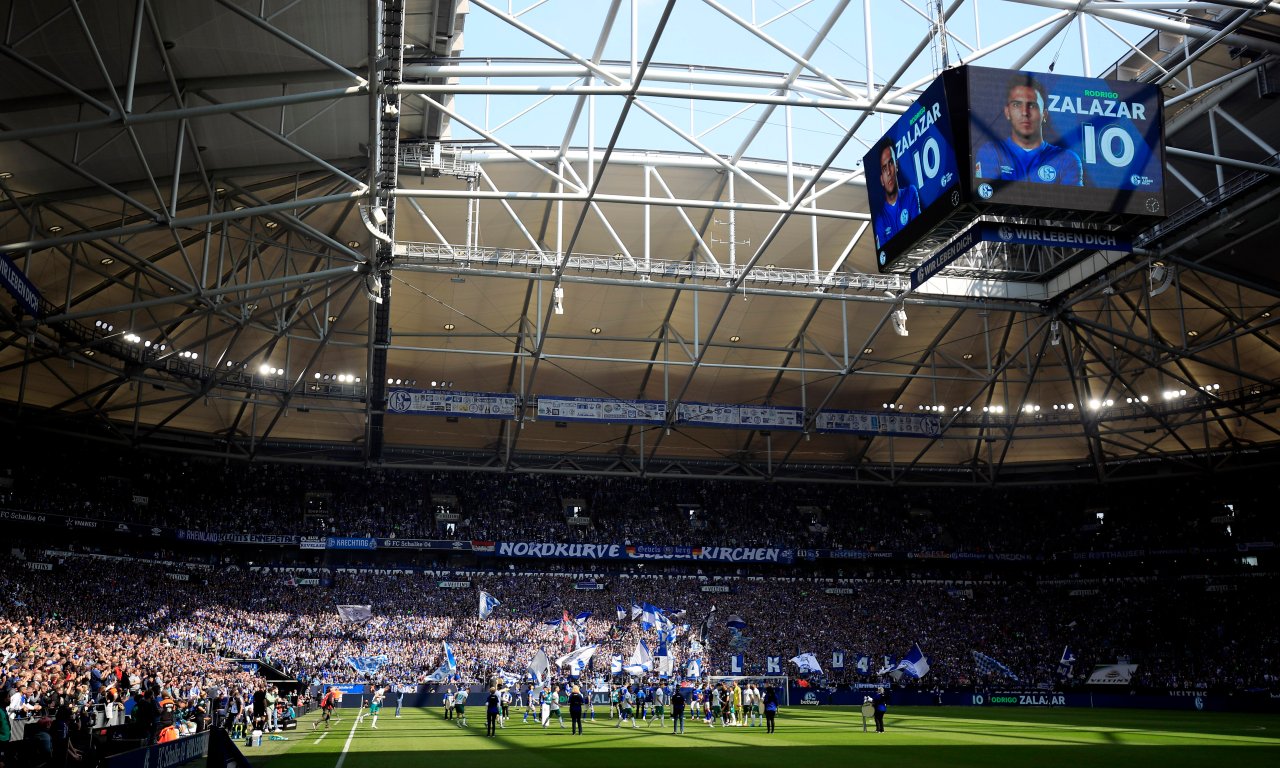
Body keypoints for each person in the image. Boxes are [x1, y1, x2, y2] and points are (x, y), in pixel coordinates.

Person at [974, 72, 1082, 186]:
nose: (1025, 112)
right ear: (1007, 112)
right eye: (1016, 105)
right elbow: (988, 196)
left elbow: (1074, 201)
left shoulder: (1066, 159)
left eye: (1032, 106)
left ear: (1044, 115)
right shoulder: (992, 152)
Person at [873, 139, 922, 248]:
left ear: (897, 165)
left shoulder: (911, 193)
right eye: (884, 168)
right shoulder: (880, 220)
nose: (889, 172)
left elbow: (919, 231)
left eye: (890, 163)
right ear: (881, 180)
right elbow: (885, 256)